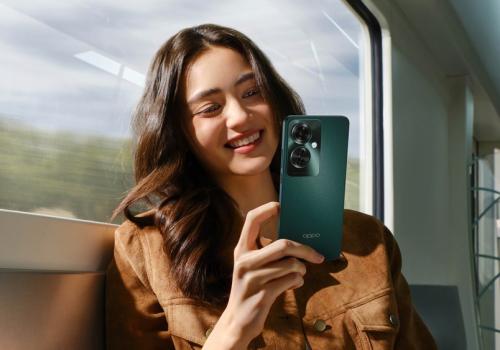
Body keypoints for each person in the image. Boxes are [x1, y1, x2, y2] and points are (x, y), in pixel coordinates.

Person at [105, 23, 437, 350]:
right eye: (210, 108)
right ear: (180, 131)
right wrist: (234, 327)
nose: (239, 116)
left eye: (252, 92)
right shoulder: (143, 251)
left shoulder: (369, 240)